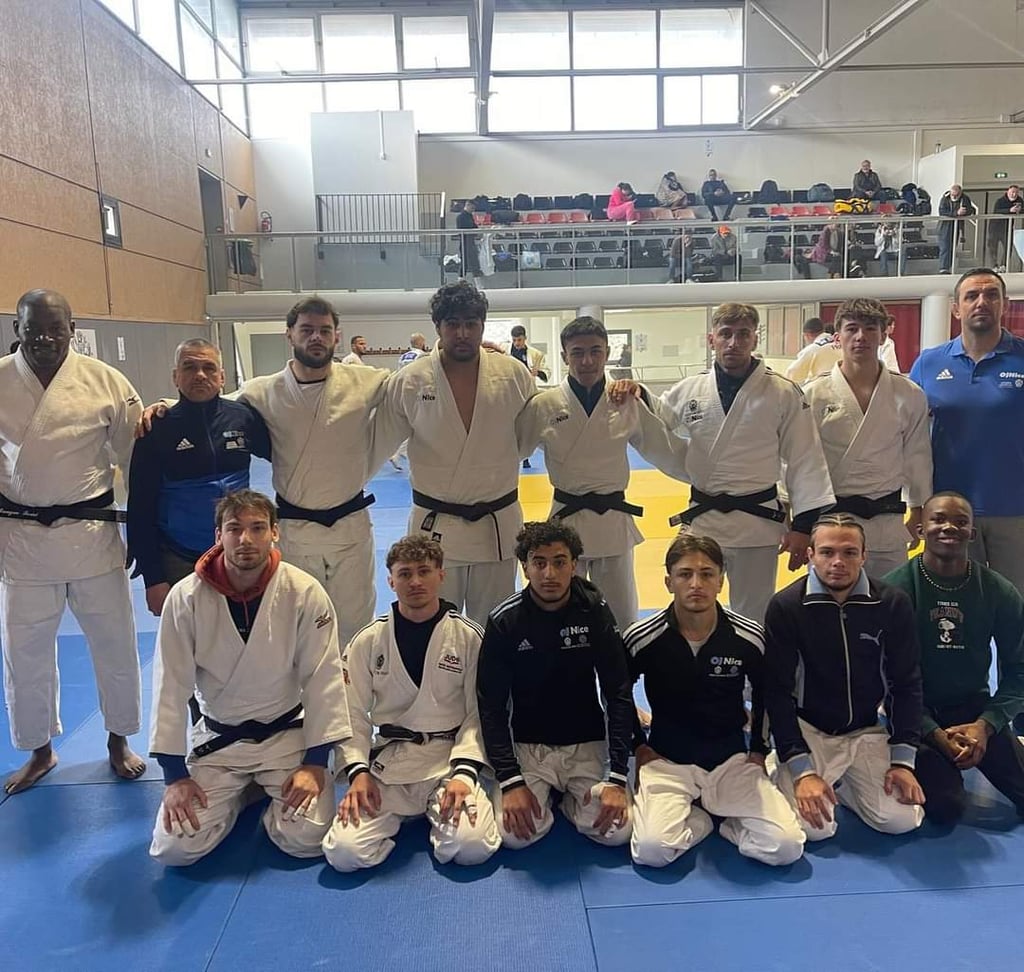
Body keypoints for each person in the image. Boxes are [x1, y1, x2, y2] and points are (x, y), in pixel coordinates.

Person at [148, 490, 351, 865]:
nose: (246, 539)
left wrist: (315, 762)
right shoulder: (185, 598)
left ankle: (257, 791)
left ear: (275, 532)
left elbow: (323, 678)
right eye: (234, 529)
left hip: (286, 736)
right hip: (220, 741)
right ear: (218, 536)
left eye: (257, 528)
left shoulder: (303, 591)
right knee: (174, 848)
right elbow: (170, 685)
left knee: (306, 838)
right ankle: (242, 794)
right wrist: (175, 776)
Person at [0, 290, 145, 794]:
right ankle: (39, 750)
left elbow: (135, 458)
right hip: (21, 538)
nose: (44, 337)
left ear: (72, 329)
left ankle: (118, 739)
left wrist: (141, 531)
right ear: (16, 329)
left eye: (55, 328)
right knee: (24, 652)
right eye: (33, 328)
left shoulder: (105, 381)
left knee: (115, 643)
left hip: (91, 534)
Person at [610, 302, 834, 624]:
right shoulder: (692, 388)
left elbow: (805, 457)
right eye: (725, 334)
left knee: (754, 615)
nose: (733, 343)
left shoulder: (783, 392)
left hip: (758, 523)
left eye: (743, 334)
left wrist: (802, 526)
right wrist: (639, 394)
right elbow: (660, 417)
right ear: (711, 339)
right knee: (693, 605)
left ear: (755, 338)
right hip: (704, 521)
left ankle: (752, 659)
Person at [625, 534, 805, 868]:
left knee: (786, 847)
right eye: (685, 574)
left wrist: (758, 750)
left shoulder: (748, 637)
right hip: (666, 760)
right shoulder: (642, 638)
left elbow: (767, 695)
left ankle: (730, 826)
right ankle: (704, 821)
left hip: (731, 760)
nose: (696, 584)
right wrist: (638, 746)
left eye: (707, 574)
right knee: (651, 851)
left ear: (721, 581)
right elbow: (618, 695)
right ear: (668, 582)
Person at [322, 536, 500, 871]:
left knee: (471, 848)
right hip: (391, 762)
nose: (415, 581)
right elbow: (351, 714)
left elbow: (480, 713)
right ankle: (401, 819)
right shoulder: (368, 640)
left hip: (448, 760)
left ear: (441, 575)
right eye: (405, 574)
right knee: (343, 853)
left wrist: (465, 773)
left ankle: (437, 816)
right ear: (390, 581)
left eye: (424, 571)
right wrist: (358, 772)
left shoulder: (468, 637)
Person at [375, 282, 536, 625]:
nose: (462, 333)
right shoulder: (411, 380)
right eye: (452, 324)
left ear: (482, 326)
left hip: (496, 525)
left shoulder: (512, 375)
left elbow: (530, 437)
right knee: (434, 629)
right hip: (435, 526)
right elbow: (378, 443)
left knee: (496, 629)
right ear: (438, 327)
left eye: (471, 324)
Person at [517, 317, 687, 629]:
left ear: (607, 353)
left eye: (595, 351)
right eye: (578, 352)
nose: (587, 361)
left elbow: (665, 447)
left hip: (613, 522)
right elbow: (509, 453)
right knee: (562, 614)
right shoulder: (545, 404)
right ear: (565, 356)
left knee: (621, 614)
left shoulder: (625, 401)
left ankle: (621, 661)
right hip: (565, 521)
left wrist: (706, 480)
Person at [764, 513, 925, 841]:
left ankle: (849, 787)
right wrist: (800, 767)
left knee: (901, 820)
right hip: (810, 730)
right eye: (827, 552)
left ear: (864, 556)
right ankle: (779, 768)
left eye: (849, 552)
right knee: (814, 829)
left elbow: (906, 683)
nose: (838, 562)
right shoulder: (787, 606)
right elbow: (777, 692)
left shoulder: (891, 603)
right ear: (811, 555)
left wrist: (903, 761)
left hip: (865, 731)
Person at [477, 521, 633, 849]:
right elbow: (491, 705)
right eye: (539, 563)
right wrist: (510, 778)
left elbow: (617, 692)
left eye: (560, 562)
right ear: (524, 567)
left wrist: (618, 775)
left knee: (617, 832)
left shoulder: (594, 612)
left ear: (574, 565)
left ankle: (570, 802)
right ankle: (550, 795)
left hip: (586, 741)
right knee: (515, 836)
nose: (549, 574)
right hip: (527, 746)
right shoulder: (505, 620)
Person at [884, 492, 1024, 823]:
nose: (949, 527)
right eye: (938, 519)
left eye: (961, 522)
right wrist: (934, 733)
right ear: (921, 529)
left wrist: (986, 725)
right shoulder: (895, 591)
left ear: (971, 534)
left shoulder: (998, 591)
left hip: (973, 709)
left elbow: (1020, 669)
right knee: (946, 808)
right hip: (915, 711)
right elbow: (883, 676)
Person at [127, 339, 272, 617]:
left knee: (245, 632)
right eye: (189, 367)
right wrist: (153, 578)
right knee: (185, 638)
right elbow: (140, 507)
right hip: (178, 557)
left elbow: (288, 457)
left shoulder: (243, 418)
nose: (200, 375)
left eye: (209, 368)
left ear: (222, 377)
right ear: (175, 377)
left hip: (239, 554)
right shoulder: (157, 428)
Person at [909, 268, 1024, 596]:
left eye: (991, 295)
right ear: (956, 309)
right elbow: (908, 436)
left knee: (1015, 606)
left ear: (1004, 305)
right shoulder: (928, 364)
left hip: (1015, 510)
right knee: (954, 605)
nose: (981, 302)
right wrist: (915, 503)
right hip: (949, 511)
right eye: (972, 296)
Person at [802, 298, 932, 579]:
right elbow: (799, 459)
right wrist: (795, 518)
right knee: (829, 599)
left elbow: (917, 455)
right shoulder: (814, 394)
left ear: (883, 335)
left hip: (886, 520)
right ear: (837, 338)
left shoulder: (909, 394)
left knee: (890, 597)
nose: (861, 336)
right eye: (852, 329)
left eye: (871, 328)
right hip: (831, 522)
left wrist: (918, 508)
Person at [388, 333, 430, 471]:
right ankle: (400, 453)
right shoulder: (422, 356)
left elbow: (398, 374)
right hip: (418, 393)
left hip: (403, 392)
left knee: (408, 424)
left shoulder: (403, 356)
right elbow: (424, 375)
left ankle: (398, 452)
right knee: (419, 426)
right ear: (422, 342)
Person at [784, 318, 841, 384]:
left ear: (807, 335)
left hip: (824, 386)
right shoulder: (840, 343)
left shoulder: (812, 350)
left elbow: (792, 375)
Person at [937, 184, 976, 274]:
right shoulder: (945, 198)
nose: (954, 197)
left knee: (952, 246)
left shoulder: (965, 199)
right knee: (945, 246)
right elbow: (942, 211)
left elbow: (970, 210)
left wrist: (964, 212)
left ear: (960, 193)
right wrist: (956, 213)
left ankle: (949, 266)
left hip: (957, 225)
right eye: (953, 195)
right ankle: (943, 268)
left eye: (956, 195)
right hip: (945, 225)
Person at [987, 185, 1023, 271]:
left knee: (1008, 247)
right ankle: (994, 266)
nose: (1014, 194)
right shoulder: (1000, 201)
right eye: (1012, 192)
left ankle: (1003, 265)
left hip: (1007, 228)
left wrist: (1019, 210)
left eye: (1016, 192)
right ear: (1008, 192)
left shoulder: (1020, 200)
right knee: (992, 247)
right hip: (995, 227)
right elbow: (996, 211)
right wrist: (1009, 210)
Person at [455, 200, 483, 284]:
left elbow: (474, 226)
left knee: (471, 263)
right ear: (467, 205)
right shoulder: (461, 217)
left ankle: (476, 284)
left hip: (470, 241)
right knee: (467, 263)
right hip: (465, 241)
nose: (473, 210)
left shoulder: (469, 216)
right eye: (472, 208)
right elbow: (465, 229)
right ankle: (461, 282)